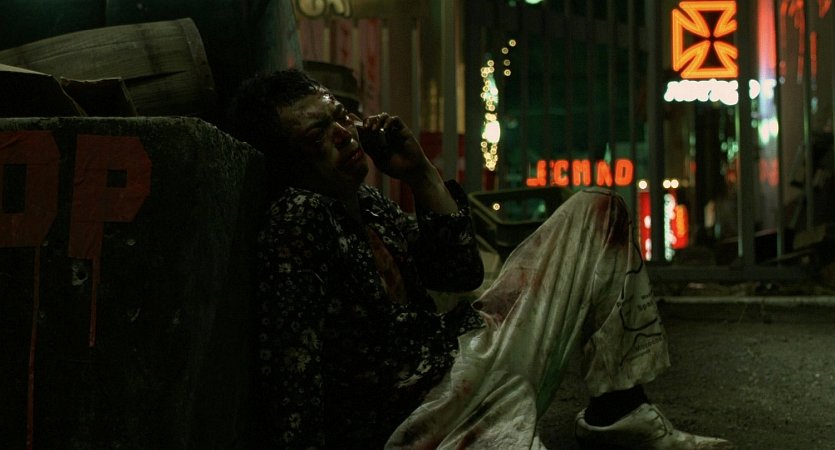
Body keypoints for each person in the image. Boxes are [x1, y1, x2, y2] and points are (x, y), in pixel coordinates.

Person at [225, 68, 734, 450]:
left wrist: (419, 172)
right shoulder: (299, 217)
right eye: (318, 135)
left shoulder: (367, 203)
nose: (344, 134)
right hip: (420, 414)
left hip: (463, 359)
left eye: (340, 116)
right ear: (290, 161)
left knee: (597, 210)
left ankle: (619, 414)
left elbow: (459, 272)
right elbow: (293, 374)